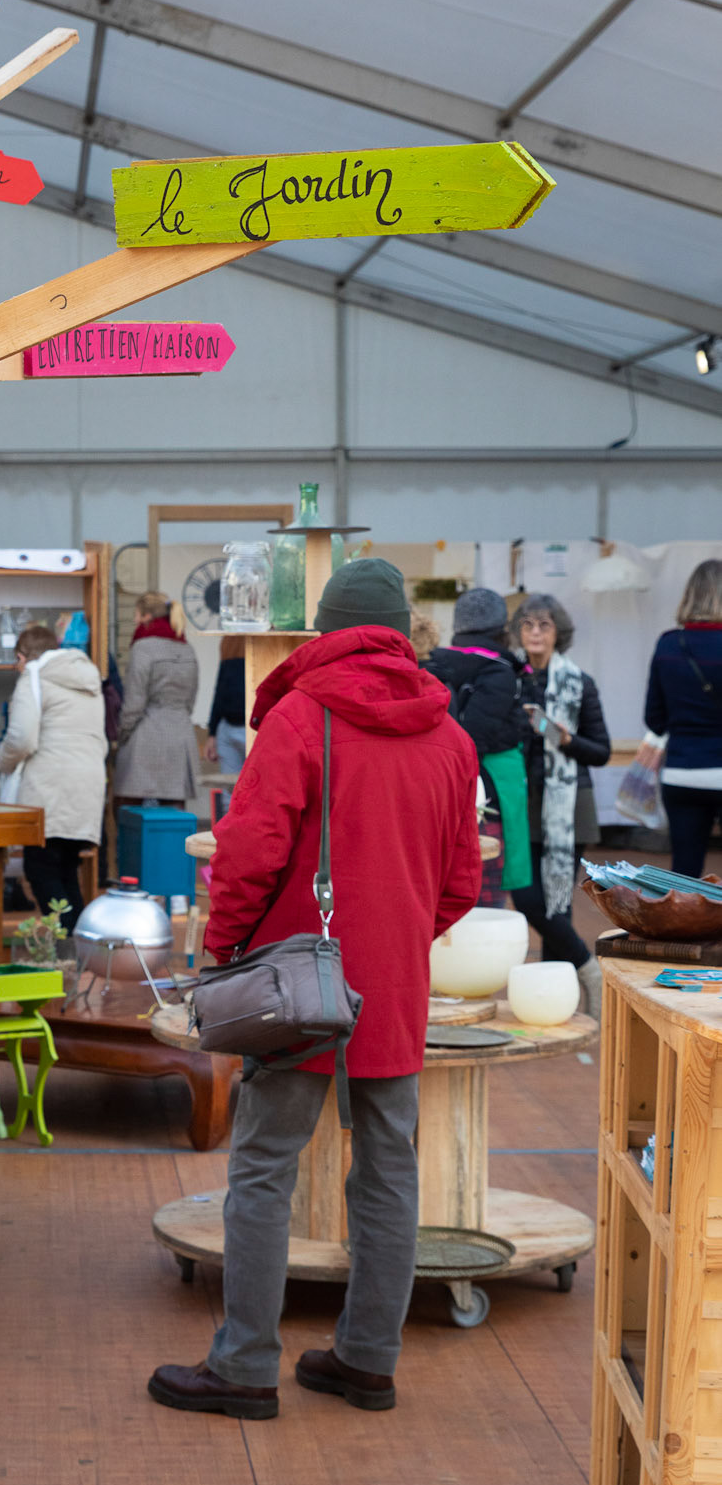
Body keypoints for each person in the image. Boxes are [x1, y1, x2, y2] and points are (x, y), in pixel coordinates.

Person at [148, 558, 481, 1421]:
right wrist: (397, 939)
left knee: (264, 1168)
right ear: (402, 632)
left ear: (326, 631)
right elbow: (460, 884)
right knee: (389, 1172)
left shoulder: (301, 717)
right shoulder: (450, 738)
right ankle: (367, 1361)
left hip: (297, 985)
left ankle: (244, 1367)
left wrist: (226, 948)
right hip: (395, 987)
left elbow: (248, 852)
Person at [509, 592, 610, 1014]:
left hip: (569, 806)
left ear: (558, 632)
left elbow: (600, 751)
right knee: (527, 896)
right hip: (522, 801)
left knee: (558, 905)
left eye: (544, 625)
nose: (535, 632)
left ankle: (556, 1005)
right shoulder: (509, 679)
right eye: (527, 624)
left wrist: (565, 738)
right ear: (517, 632)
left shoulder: (579, 682)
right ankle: (589, 968)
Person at [0, 623, 106, 932]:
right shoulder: (87, 676)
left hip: (50, 785)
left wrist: (1, 759)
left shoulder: (33, 676)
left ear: (22, 656)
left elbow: (22, 739)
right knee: (66, 870)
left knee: (40, 869)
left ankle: (66, 941)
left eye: (16, 662)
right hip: (88, 783)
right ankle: (81, 942)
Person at [423, 586, 531, 898]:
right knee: (483, 885)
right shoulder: (500, 672)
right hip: (487, 789)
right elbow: (474, 737)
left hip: (440, 782)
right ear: (501, 629)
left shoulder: (434, 663)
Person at [641, 559, 722, 877]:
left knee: (685, 874)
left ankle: (685, 912)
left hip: (681, 774)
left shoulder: (669, 644)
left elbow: (654, 719)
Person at [112, 592, 200, 807]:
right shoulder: (187, 649)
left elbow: (134, 703)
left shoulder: (142, 647)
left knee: (129, 809)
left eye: (136, 614)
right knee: (174, 813)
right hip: (181, 736)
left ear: (147, 616)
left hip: (145, 738)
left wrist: (121, 735)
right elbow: (190, 700)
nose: (135, 620)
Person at [205, 636, 247, 780]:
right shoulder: (229, 640)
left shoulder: (267, 639)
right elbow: (221, 689)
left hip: (256, 727)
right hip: (228, 727)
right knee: (230, 789)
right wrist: (212, 733)